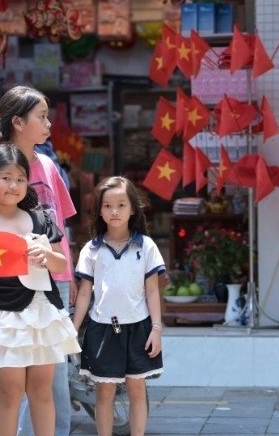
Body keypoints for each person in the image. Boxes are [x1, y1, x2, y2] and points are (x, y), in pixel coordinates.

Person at [0, 144, 81, 436]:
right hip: (5, 319)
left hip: (43, 313)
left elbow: (60, 262)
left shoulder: (40, 218)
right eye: (6, 177)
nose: (14, 185)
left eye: (20, 178)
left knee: (43, 390)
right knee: (10, 392)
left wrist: (47, 256)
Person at [0, 85, 77, 436]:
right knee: (17, 378)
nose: (49, 123)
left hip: (55, 278)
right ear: (18, 122)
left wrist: (71, 271)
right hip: (11, 286)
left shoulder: (49, 165)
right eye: (42, 117)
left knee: (54, 374)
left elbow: (62, 224)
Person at [72, 176, 165, 436]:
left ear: (133, 208)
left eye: (121, 205)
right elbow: (83, 295)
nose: (114, 211)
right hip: (102, 329)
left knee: (137, 389)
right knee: (105, 391)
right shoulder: (91, 250)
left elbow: (153, 290)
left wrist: (156, 328)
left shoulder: (146, 247)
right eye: (107, 206)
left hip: (139, 328)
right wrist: (73, 329)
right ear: (99, 210)